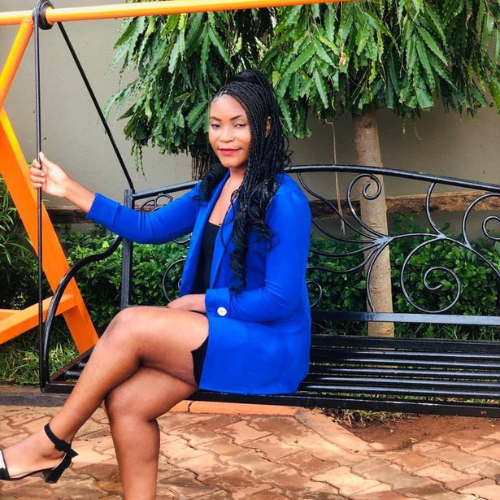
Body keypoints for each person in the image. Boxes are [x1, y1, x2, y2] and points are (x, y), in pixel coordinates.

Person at [0, 69, 311, 498]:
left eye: (239, 125)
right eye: (216, 125)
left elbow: (279, 300)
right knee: (126, 404)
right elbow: (147, 227)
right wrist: (68, 188)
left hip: (267, 345)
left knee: (129, 324)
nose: (225, 137)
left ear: (265, 127)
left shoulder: (285, 200)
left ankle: (51, 443)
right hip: (219, 336)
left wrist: (202, 302)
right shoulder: (216, 187)